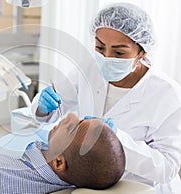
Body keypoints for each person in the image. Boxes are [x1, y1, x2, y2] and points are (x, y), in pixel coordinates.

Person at [31, 2, 181, 194]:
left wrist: (116, 139)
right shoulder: (88, 69)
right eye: (100, 48)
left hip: (141, 187)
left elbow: (167, 169)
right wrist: (43, 107)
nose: (107, 57)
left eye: (119, 52)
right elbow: (48, 110)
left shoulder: (168, 95)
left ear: (142, 53)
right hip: (89, 178)